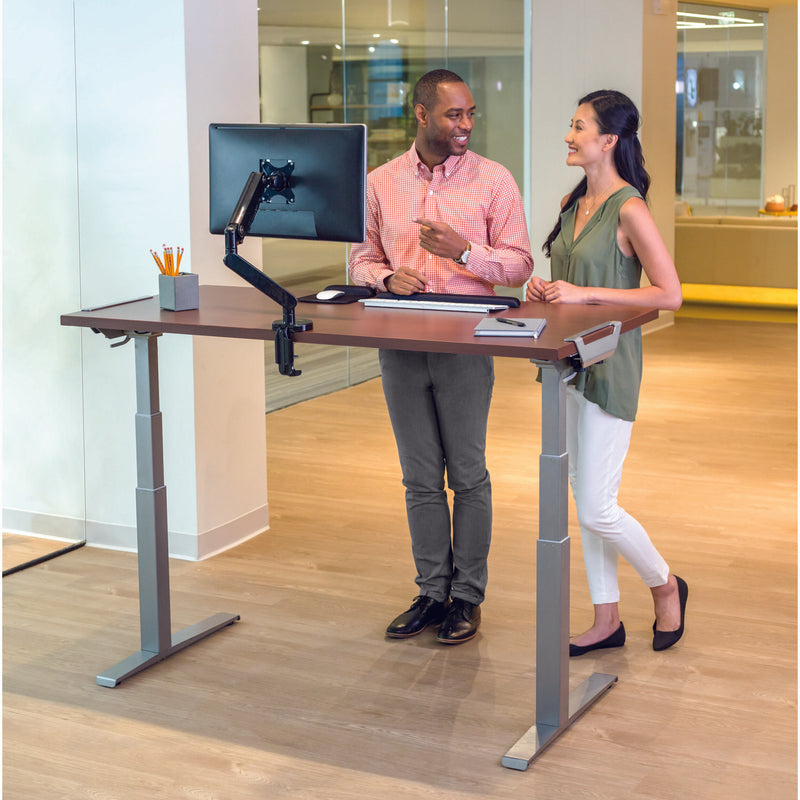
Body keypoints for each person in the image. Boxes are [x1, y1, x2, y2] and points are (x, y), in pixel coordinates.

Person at [349, 69, 533, 644]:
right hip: (400, 343)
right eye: (455, 115)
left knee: (468, 475)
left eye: (471, 114)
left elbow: (520, 266)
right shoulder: (379, 183)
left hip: (466, 344)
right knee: (420, 478)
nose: (467, 125)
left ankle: (467, 597)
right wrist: (384, 278)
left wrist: (466, 252)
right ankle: (432, 591)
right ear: (422, 114)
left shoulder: (494, 181)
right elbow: (357, 262)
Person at [526, 89, 688, 655]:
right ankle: (606, 619)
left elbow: (670, 294)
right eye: (570, 125)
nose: (569, 136)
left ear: (609, 140)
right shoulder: (576, 204)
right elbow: (567, 289)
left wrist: (584, 292)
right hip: (569, 364)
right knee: (584, 499)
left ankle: (666, 585)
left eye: (579, 127)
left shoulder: (629, 207)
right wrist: (546, 289)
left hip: (611, 368)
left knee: (597, 505)